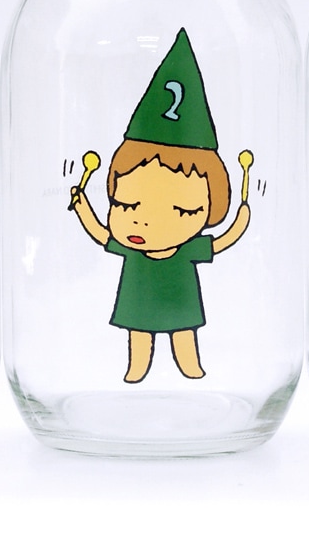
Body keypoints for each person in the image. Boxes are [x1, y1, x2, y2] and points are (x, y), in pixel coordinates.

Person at [69, 28, 251, 383]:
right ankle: (137, 368)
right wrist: (81, 206)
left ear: (209, 211)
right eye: (127, 205)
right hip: (137, 297)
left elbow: (222, 242)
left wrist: (241, 220)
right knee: (138, 331)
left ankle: (190, 366)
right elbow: (101, 232)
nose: (143, 222)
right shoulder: (131, 247)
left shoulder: (187, 250)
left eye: (180, 212)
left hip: (180, 298)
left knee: (184, 331)